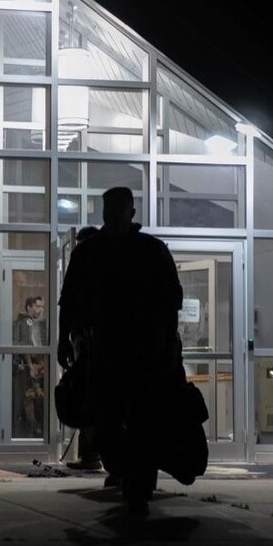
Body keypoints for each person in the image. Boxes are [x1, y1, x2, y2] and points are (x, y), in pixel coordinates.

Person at [58, 188, 183, 514]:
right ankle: (128, 472)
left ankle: (137, 480)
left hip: (143, 349)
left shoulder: (150, 250)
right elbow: (69, 299)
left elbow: (171, 303)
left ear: (130, 211)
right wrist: (64, 338)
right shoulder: (92, 252)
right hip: (109, 348)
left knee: (141, 418)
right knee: (106, 416)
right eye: (108, 207)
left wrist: (170, 344)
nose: (112, 213)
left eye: (118, 207)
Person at [63, 225, 104, 472]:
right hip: (89, 342)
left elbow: (67, 302)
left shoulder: (91, 267)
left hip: (90, 345)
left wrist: (67, 340)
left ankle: (92, 455)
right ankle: (92, 454)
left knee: (90, 398)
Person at [12, 295, 46, 437]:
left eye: (40, 307)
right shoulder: (27, 321)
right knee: (27, 400)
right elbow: (27, 346)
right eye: (36, 307)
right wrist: (31, 366)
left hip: (21, 366)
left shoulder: (21, 321)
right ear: (29, 307)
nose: (38, 310)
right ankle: (27, 432)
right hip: (24, 368)